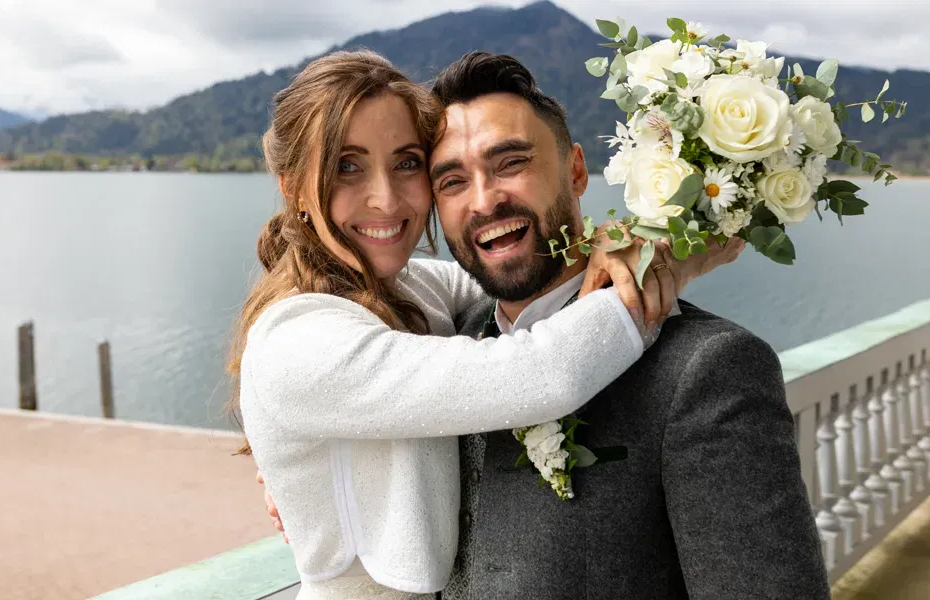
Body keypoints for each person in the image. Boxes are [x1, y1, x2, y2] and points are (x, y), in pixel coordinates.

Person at [233, 50, 738, 600]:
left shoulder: (412, 290)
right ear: (293, 188)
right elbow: (541, 372)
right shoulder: (298, 341)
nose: (385, 197)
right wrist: (682, 264)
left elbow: (525, 278)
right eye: (346, 167)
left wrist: (625, 243)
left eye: (406, 163)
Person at [423, 52, 829, 600]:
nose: (484, 200)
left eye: (511, 163)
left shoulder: (709, 369)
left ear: (576, 170)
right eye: (451, 181)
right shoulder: (445, 338)